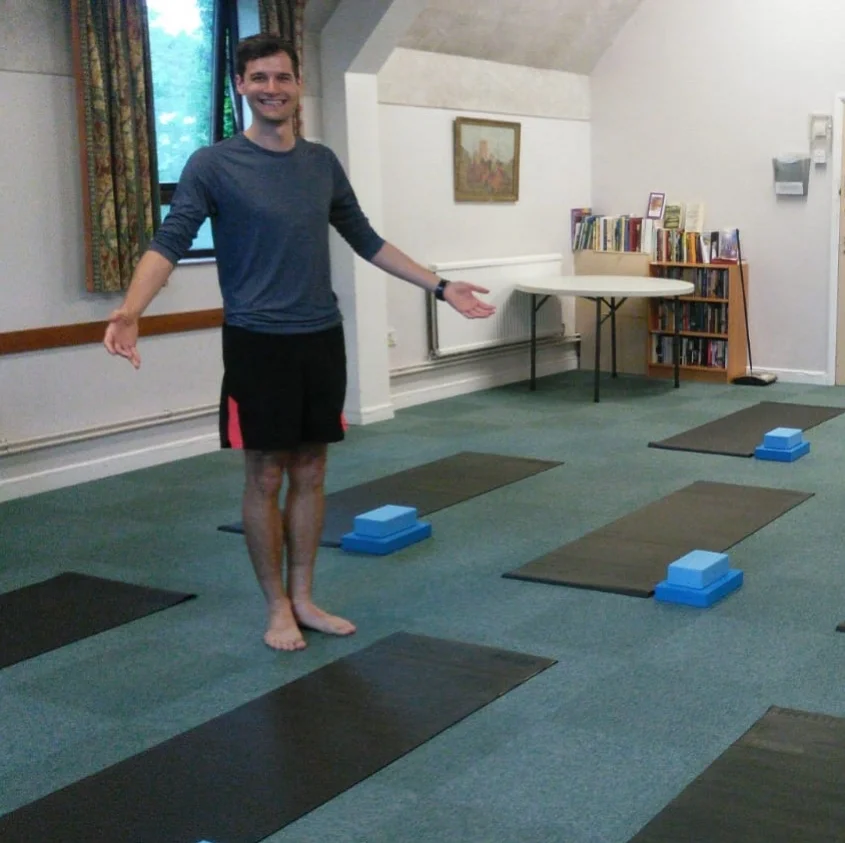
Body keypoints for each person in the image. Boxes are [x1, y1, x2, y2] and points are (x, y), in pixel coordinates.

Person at [103, 33, 495, 652]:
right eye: (259, 78)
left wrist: (441, 286)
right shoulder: (213, 164)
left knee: (311, 468)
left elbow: (367, 240)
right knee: (265, 475)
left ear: (296, 85)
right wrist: (131, 310)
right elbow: (169, 242)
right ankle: (277, 607)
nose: (272, 89)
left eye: (282, 77)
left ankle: (305, 596)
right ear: (240, 85)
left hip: (320, 336)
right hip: (257, 343)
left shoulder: (320, 163)